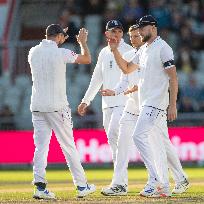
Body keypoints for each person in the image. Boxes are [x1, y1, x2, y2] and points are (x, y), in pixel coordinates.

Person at [101, 24, 189, 196]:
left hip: (153, 105)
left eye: (139, 34)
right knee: (136, 143)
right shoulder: (138, 52)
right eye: (134, 35)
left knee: (155, 142)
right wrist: (114, 52)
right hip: (136, 106)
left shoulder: (160, 48)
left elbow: (168, 78)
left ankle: (161, 180)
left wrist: (172, 104)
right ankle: (120, 184)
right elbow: (126, 74)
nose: (137, 37)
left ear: (152, 29)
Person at [28, 24, 96, 200]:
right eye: (61, 36)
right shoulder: (62, 52)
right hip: (57, 107)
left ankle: (40, 187)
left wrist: (59, 40)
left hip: (37, 106)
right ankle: (82, 186)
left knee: (41, 147)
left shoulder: (33, 52)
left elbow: (49, 54)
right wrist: (82, 42)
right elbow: (87, 59)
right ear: (59, 36)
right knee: (68, 146)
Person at [77, 20, 133, 174]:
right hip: (107, 104)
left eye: (119, 31)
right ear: (106, 33)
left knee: (116, 133)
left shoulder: (128, 50)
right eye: (113, 31)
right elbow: (97, 78)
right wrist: (85, 101)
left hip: (124, 102)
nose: (116, 34)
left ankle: (120, 180)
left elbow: (132, 77)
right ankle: (120, 178)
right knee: (112, 140)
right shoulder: (102, 52)